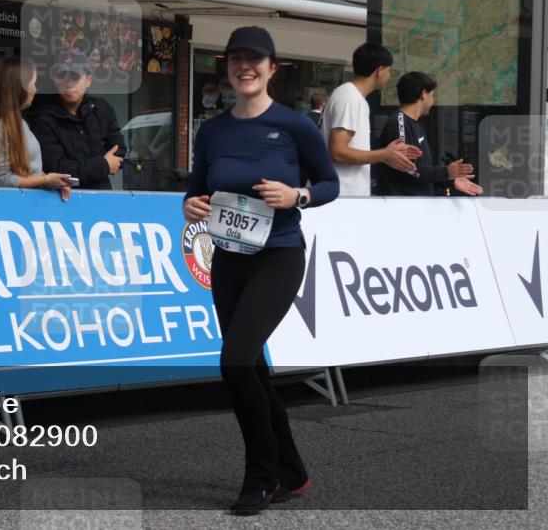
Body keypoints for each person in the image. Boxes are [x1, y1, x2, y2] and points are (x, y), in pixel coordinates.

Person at [181, 26, 339, 516]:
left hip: (280, 255)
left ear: (273, 67)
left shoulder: (295, 127)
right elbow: (195, 187)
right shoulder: (214, 130)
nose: (245, 68)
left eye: (256, 60)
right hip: (229, 259)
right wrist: (190, 204)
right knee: (252, 368)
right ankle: (292, 470)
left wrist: (299, 196)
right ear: (227, 67)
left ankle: (261, 476)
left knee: (236, 361)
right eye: (236, 60)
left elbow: (330, 183)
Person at [0, 57, 73, 200]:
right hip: (8, 211)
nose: (35, 89)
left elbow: (29, 171)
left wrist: (52, 181)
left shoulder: (18, 121)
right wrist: (45, 180)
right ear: (19, 87)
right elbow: (0, 180)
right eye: (33, 83)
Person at [320, 43, 422, 196]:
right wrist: (384, 154)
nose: (389, 76)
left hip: (347, 196)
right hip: (340, 197)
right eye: (389, 70)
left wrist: (387, 155)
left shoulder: (355, 98)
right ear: (380, 71)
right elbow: (338, 152)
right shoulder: (349, 97)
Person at [28, 49, 126, 190]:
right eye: (63, 76)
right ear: (55, 80)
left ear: (88, 80)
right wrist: (103, 165)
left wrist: (82, 167)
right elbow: (57, 169)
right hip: (62, 200)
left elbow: (119, 151)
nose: (69, 83)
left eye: (75, 77)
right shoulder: (44, 118)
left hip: (102, 197)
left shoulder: (103, 108)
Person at [377, 72, 483, 197]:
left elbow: (422, 172)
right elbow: (409, 169)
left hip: (419, 204)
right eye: (432, 95)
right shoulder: (399, 122)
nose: (433, 101)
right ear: (423, 94)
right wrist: (446, 172)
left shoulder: (416, 124)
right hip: (402, 207)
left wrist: (450, 179)